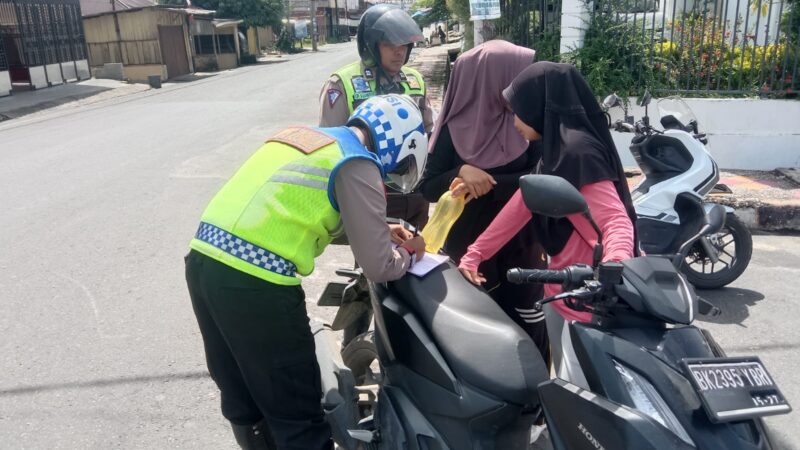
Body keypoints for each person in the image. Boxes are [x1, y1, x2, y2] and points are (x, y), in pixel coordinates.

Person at [185, 94, 428, 450]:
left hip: (204, 264)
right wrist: (410, 250)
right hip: (258, 286)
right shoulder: (358, 163)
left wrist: (381, 227)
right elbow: (380, 267)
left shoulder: (303, 137)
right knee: (298, 416)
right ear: (400, 143)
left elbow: (291, 212)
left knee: (244, 400)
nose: (392, 172)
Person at [458, 62, 637, 388]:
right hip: (561, 292)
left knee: (585, 399)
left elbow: (615, 222)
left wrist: (612, 269)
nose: (514, 122)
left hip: (588, 302)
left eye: (518, 111)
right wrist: (476, 252)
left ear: (541, 107)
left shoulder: (577, 154)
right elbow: (521, 205)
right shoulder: (554, 152)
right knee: (566, 386)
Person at [417, 40, 550, 365]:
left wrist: (486, 183)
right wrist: (461, 171)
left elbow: (540, 181)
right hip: (469, 250)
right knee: (480, 333)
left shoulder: (526, 124)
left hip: (522, 246)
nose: (521, 88)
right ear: (491, 80)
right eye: (514, 78)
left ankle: (537, 406)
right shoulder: (453, 128)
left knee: (530, 328)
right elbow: (428, 187)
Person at [319, 4, 434, 227]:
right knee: (374, 259)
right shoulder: (343, 84)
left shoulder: (415, 81)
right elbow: (331, 148)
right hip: (369, 194)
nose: (399, 51)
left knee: (418, 255)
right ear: (370, 46)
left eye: (404, 44)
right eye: (389, 44)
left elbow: (429, 132)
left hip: (415, 191)